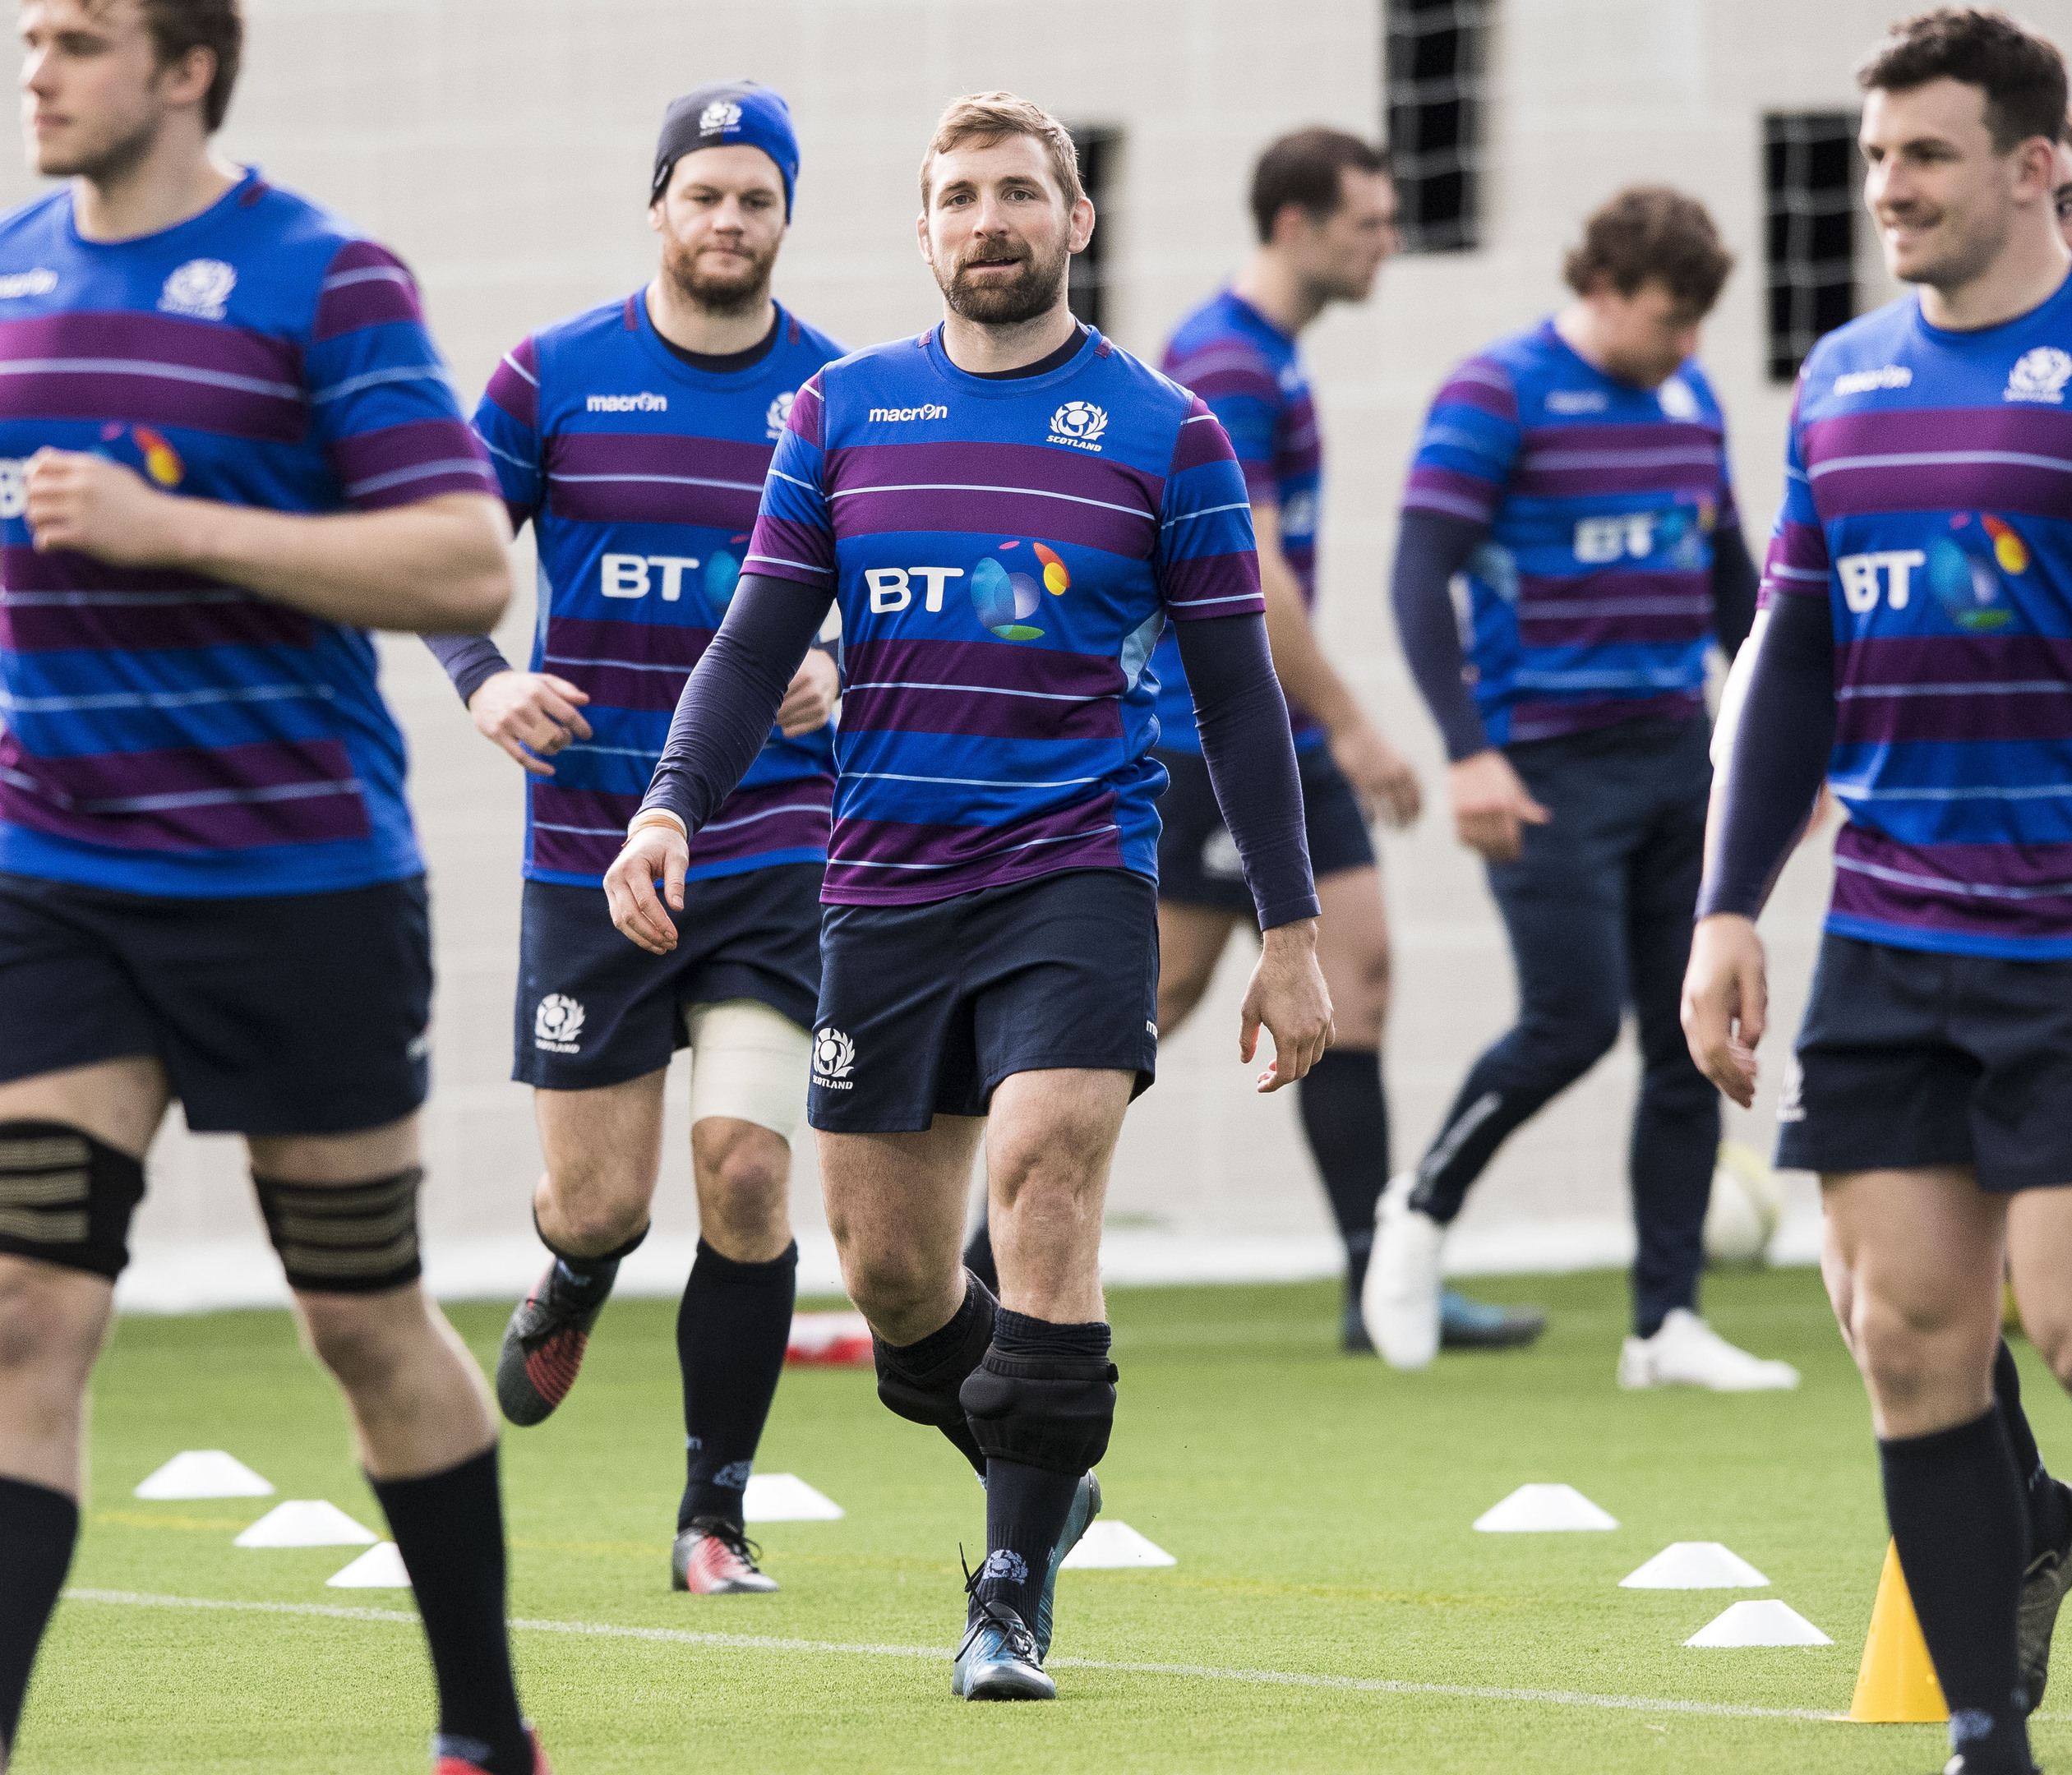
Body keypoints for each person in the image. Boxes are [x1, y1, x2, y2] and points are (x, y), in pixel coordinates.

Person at [606, 90, 1333, 1702]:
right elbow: (747, 645)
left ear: (1077, 223)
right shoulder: (841, 416)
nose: (987, 219)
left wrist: (1291, 936)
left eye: (1018, 192)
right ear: (922, 232)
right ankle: (1039, 1456)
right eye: (956, 197)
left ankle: (1007, 1592)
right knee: (890, 1276)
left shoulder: (1166, 431)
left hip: (1076, 873)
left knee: (1046, 1175)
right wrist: (669, 807)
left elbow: (1238, 701)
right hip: (879, 896)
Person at [0, 2, 543, 1771]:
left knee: (362, 1323)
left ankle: (483, 1731)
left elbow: (463, 556)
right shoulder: (8, 272)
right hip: (57, 881)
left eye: (80, 38)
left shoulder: (325, 279)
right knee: (23, 1312)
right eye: (30, 38)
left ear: (184, 70)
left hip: (296, 887)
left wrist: (188, 532)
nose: (37, 68)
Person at [1685, 13, 2072, 1766]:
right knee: (1910, 1341)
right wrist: (1726, 903)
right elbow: (1793, 657)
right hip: (1891, 936)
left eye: (1922, 153)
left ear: (2032, 163)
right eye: (1873, 159)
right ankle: (1981, 1742)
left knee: (2061, 1317)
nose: (1886, 188)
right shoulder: (1840, 382)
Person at [425, 81, 842, 1598]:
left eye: (756, 199)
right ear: (657, 206)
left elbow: (925, 580)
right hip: (583, 852)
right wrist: (483, 680)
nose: (727, 222)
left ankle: (712, 1513)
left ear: (785, 220)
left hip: (771, 847)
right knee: (605, 1195)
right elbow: (448, 551)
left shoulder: (842, 397)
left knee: (740, 1171)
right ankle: (576, 1269)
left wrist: (845, 665)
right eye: (704, 194)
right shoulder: (550, 376)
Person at [1374, 186, 1795, 1390]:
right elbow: (1417, 579)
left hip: (1680, 757)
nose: (1685, 345)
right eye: (1668, 317)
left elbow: (1732, 581)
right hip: (1543, 769)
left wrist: (1780, 743)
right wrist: (1465, 750)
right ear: (1602, 292)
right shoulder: (1494, 393)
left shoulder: (1690, 395)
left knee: (1689, 1039)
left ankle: (1664, 1325)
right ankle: (1419, 1209)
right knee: (1570, 1020)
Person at [1141, 127, 1537, 1358]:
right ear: (1298, 226)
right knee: (1151, 996)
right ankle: (980, 1267)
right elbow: (1246, 576)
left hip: (1281, 723)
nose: (1389, 241)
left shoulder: (1274, 358)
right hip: (1207, 727)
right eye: (1369, 221)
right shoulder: (1224, 360)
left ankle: (1379, 1290)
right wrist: (1359, 724)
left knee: (1357, 974)